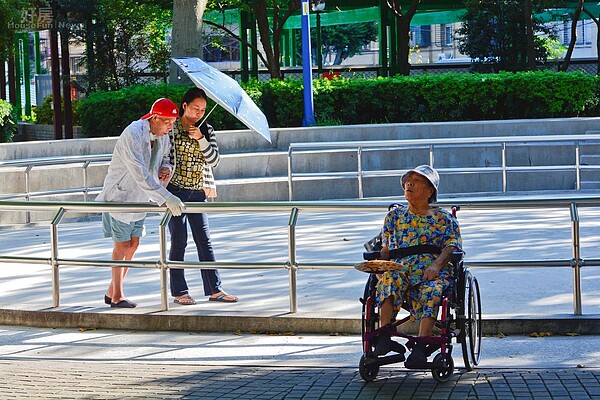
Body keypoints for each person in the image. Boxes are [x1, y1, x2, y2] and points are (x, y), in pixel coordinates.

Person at [96, 98, 186, 308]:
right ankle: (117, 296)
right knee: (122, 245)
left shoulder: (162, 135)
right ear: (154, 118)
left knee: (134, 244)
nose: (170, 127)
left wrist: (165, 169)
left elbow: (165, 158)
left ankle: (112, 290)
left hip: (141, 198)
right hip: (121, 197)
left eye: (173, 123)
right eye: (167, 123)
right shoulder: (133, 133)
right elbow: (138, 172)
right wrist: (165, 197)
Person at [374, 165, 462, 366]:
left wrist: (437, 266)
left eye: (416, 181)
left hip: (430, 270)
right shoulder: (393, 217)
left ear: (430, 190)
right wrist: (379, 268)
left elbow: (452, 246)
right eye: (408, 180)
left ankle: (421, 346)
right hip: (400, 268)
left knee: (432, 289)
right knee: (388, 278)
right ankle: (384, 337)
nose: (409, 183)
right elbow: (385, 250)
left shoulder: (443, 218)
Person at [166, 87, 238, 305]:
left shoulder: (206, 129)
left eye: (203, 109)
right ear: (184, 106)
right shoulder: (172, 128)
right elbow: (162, 156)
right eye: (195, 108)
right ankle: (180, 291)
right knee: (179, 240)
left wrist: (201, 139)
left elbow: (214, 161)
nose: (199, 113)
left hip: (198, 191)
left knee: (204, 240)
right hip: (174, 191)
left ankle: (214, 289)